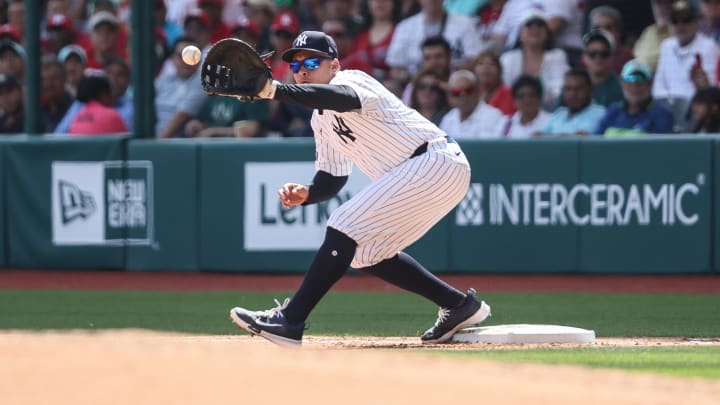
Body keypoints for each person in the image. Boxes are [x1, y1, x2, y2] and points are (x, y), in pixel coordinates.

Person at [228, 31, 491, 346]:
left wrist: (274, 90)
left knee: (343, 224)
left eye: (311, 61)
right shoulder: (319, 121)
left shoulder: (354, 80)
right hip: (427, 173)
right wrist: (310, 193)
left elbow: (340, 98)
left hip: (435, 161)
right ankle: (458, 304)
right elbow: (333, 177)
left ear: (334, 65)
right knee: (366, 253)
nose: (302, 70)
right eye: (296, 65)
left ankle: (290, 320)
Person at [499, 11, 569, 107]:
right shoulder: (508, 58)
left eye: (540, 25)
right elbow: (504, 89)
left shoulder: (557, 56)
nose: (535, 29)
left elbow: (559, 88)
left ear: (547, 33)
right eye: (529, 25)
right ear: (520, 33)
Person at [596, 59, 674, 136]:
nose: (635, 85)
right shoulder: (613, 111)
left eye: (641, 79)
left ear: (650, 84)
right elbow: (596, 141)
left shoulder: (662, 114)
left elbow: (660, 146)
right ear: (622, 83)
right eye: (629, 79)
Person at [439, 69, 505, 139]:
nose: (463, 96)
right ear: (450, 96)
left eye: (468, 90)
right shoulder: (448, 119)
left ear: (478, 91)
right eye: (456, 93)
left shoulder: (494, 116)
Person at [539, 69, 606, 136]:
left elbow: (578, 137)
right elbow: (538, 137)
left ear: (590, 90)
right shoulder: (559, 113)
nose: (572, 94)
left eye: (578, 89)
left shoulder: (600, 114)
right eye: (568, 89)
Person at [67, 69, 128, 135]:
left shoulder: (77, 116)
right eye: (111, 93)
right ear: (103, 95)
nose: (113, 98)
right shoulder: (112, 115)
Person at [581, 28, 624, 107]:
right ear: (583, 57)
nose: (598, 58)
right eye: (592, 54)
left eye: (604, 53)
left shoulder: (622, 87)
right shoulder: (573, 84)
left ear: (612, 57)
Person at [633, 0, 674, 72]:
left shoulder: (681, 33)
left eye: (668, 3)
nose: (663, 8)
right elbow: (635, 58)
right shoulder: (649, 31)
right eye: (659, 4)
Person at [474, 49, 515, 115]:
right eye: (481, 64)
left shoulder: (507, 94)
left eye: (491, 64)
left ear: (499, 71)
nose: (486, 67)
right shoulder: (470, 94)